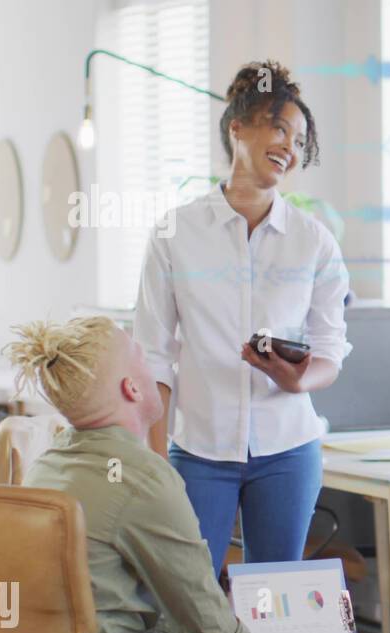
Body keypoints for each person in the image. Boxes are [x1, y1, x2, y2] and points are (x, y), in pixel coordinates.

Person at [8, 316, 323, 633]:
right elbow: (207, 627)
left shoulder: (49, 463)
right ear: (133, 389)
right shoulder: (142, 478)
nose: (160, 369)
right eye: (143, 357)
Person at [134, 60, 352, 576]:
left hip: (288, 451)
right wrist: (155, 459)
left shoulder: (313, 239)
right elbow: (154, 356)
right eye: (279, 128)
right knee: (190, 595)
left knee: (277, 603)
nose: (290, 147)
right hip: (199, 450)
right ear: (238, 127)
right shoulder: (175, 233)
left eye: (299, 140)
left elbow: (331, 347)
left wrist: (299, 379)